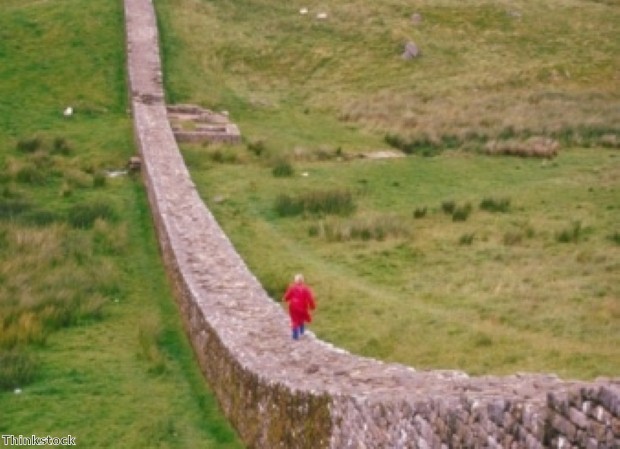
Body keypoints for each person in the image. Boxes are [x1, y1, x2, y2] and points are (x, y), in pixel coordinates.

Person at [282, 273, 316, 340]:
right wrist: (312, 306)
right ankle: (302, 332)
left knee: (294, 320)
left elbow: (287, 296)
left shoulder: (292, 287)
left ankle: (295, 336)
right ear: (303, 281)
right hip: (302, 306)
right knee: (301, 318)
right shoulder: (306, 289)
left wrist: (285, 299)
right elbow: (310, 298)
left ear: (295, 281)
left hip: (293, 306)